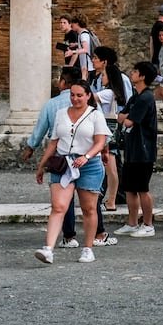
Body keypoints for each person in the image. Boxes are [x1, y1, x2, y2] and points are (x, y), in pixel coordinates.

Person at [34, 80, 111, 264]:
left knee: (89, 208)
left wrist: (87, 155)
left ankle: (88, 248)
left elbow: (101, 141)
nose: (75, 99)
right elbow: (54, 141)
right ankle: (48, 249)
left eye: (79, 95)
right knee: (58, 206)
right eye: (72, 95)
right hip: (63, 163)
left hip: (89, 164)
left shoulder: (95, 115)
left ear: (88, 96)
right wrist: (42, 164)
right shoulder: (61, 113)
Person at [22, 67, 84, 250]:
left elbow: (41, 129)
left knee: (64, 197)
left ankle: (69, 235)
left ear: (63, 82)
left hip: (61, 156)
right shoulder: (88, 100)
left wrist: (31, 147)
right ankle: (97, 233)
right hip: (85, 154)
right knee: (90, 196)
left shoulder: (52, 104)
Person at [115, 61, 159, 238]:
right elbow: (119, 117)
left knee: (142, 188)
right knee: (129, 188)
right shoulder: (135, 97)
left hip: (144, 150)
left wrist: (126, 117)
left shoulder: (146, 97)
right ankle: (132, 222)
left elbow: (128, 121)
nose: (131, 73)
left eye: (134, 71)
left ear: (142, 76)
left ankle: (148, 224)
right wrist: (126, 117)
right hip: (132, 148)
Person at [88, 46, 130, 212]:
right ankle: (108, 196)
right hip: (106, 125)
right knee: (108, 164)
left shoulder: (112, 86)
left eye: (96, 58)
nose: (93, 60)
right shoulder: (99, 81)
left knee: (111, 165)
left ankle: (113, 197)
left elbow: (91, 98)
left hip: (109, 126)